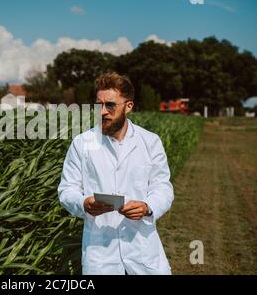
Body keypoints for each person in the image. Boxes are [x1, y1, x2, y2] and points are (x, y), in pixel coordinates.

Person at [57, 72, 174, 275]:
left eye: (110, 105)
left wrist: (148, 207)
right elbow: (67, 189)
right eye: (98, 104)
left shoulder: (150, 141)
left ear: (128, 106)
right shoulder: (82, 143)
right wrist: (84, 203)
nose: (102, 111)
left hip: (142, 248)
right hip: (100, 253)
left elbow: (162, 186)